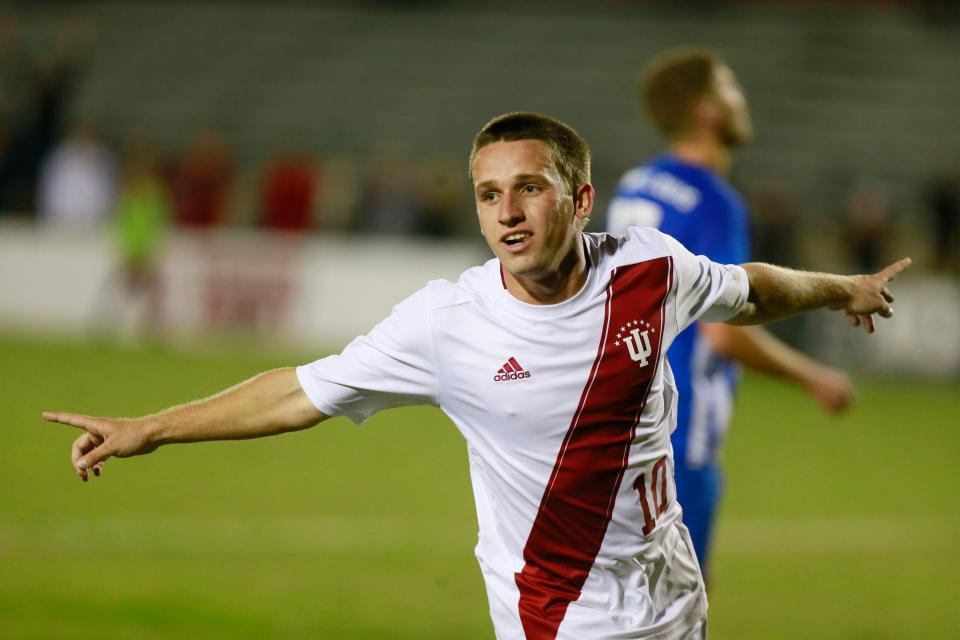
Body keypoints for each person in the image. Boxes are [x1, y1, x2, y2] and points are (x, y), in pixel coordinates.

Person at [44, 112, 908, 640]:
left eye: (528, 189)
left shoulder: (650, 270)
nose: (505, 212)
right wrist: (148, 428)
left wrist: (844, 290)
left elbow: (749, 290)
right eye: (488, 193)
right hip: (566, 622)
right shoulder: (445, 323)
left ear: (578, 200)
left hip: (675, 601)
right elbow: (298, 391)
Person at [605, 48, 854, 580]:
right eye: (731, 88)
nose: (743, 100)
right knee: (683, 596)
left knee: (638, 594)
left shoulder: (635, 183)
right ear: (707, 110)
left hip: (625, 414)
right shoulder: (713, 203)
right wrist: (811, 375)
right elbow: (723, 332)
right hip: (682, 421)